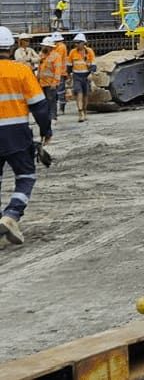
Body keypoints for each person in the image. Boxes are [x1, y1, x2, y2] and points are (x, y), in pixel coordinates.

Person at [0, 25, 52, 245]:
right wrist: (45, 131)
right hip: (16, 133)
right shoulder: (21, 71)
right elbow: (39, 106)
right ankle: (11, 215)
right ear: (11, 47)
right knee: (26, 175)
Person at [67, 33, 96, 123]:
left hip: (86, 76)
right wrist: (69, 77)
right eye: (76, 42)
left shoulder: (89, 51)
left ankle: (84, 110)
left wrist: (91, 73)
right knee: (79, 94)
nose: (76, 44)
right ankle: (80, 113)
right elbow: (69, 66)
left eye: (78, 42)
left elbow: (93, 64)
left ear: (83, 43)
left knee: (86, 95)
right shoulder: (72, 52)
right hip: (77, 76)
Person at [36, 37, 64, 122]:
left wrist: (54, 83)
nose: (43, 48)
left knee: (51, 100)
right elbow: (40, 68)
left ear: (50, 47)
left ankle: (53, 117)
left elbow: (58, 70)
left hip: (51, 83)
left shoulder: (56, 56)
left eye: (45, 46)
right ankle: (47, 117)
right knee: (44, 101)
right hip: (42, 82)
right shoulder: (42, 55)